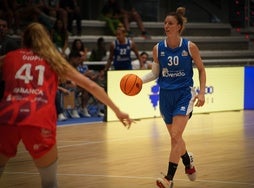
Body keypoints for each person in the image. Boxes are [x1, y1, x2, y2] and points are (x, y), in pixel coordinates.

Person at [0, 22, 132, 188]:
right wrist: (117, 111)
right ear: (46, 39)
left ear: (24, 39)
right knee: (49, 182)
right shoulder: (53, 61)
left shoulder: (10, 57)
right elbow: (91, 86)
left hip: (7, 117)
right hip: (38, 118)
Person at [141, 7, 206, 188]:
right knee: (175, 138)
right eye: (165, 23)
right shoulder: (158, 48)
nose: (166, 26)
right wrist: (139, 81)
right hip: (166, 96)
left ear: (179, 27)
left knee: (176, 135)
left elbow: (201, 69)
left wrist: (201, 92)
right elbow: (154, 74)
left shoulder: (189, 47)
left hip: (184, 95)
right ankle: (187, 160)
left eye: (170, 23)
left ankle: (168, 179)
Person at [0, 18, 20, 99]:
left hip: (4, 79)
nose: (1, 28)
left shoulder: (11, 43)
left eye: (4, 26)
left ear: (7, 29)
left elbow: (17, 60)